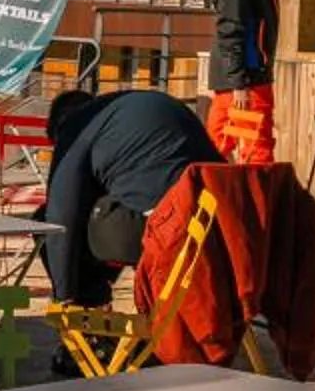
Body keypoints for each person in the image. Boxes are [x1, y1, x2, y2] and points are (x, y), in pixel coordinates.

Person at [38, 86, 224, 322]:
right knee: (107, 211)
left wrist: (63, 295)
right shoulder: (132, 107)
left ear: (59, 127)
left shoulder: (77, 127)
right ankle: (94, 304)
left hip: (165, 230)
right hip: (215, 224)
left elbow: (60, 216)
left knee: (46, 221)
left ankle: (87, 321)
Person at [207, 0, 279, 165]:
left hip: (245, 78)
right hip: (245, 83)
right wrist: (239, 81)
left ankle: (209, 197)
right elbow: (230, 32)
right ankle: (255, 201)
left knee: (222, 146)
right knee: (255, 151)